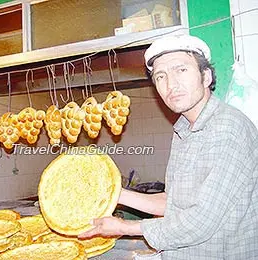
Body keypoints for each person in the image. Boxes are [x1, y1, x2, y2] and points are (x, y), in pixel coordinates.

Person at [79, 34, 258, 259]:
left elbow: (200, 222)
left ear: (206, 76)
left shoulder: (228, 129)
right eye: (160, 76)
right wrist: (107, 191)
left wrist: (125, 227)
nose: (171, 84)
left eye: (181, 70)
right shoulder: (184, 129)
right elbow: (173, 202)